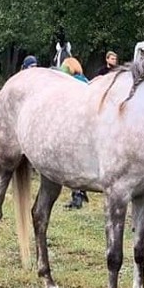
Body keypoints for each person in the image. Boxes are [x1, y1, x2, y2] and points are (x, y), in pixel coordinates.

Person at [59, 57, 90, 209]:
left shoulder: (72, 83)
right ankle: (80, 193)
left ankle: (77, 195)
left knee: (74, 163)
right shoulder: (84, 80)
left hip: (76, 127)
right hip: (86, 127)